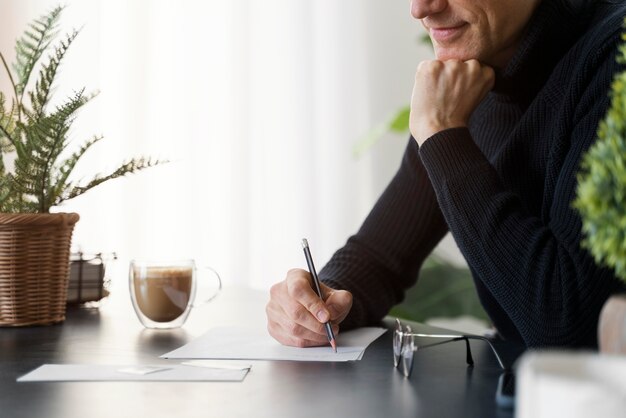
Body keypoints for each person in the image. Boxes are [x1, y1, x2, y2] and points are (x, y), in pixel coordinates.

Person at [266, 0, 626, 349]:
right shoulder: (471, 75)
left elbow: (570, 330)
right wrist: (316, 303)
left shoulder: (616, 60)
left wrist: (441, 132)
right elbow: (379, 258)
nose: (420, 9)